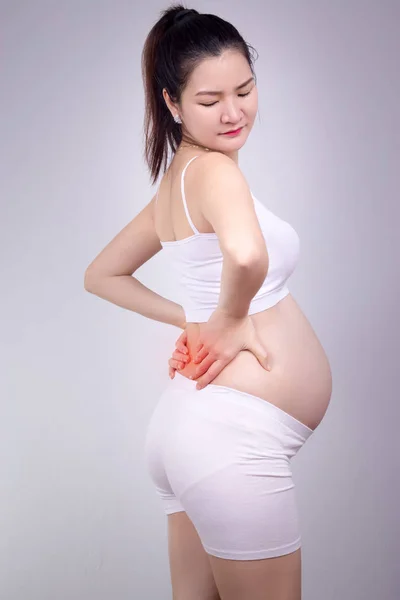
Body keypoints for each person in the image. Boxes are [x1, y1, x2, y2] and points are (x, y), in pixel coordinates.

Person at [84, 4, 333, 599]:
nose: (233, 112)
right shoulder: (215, 175)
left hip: (193, 433)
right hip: (230, 440)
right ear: (171, 103)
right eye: (209, 99)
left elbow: (101, 274)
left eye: (244, 90)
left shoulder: (179, 179)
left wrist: (196, 321)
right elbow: (248, 257)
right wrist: (222, 324)